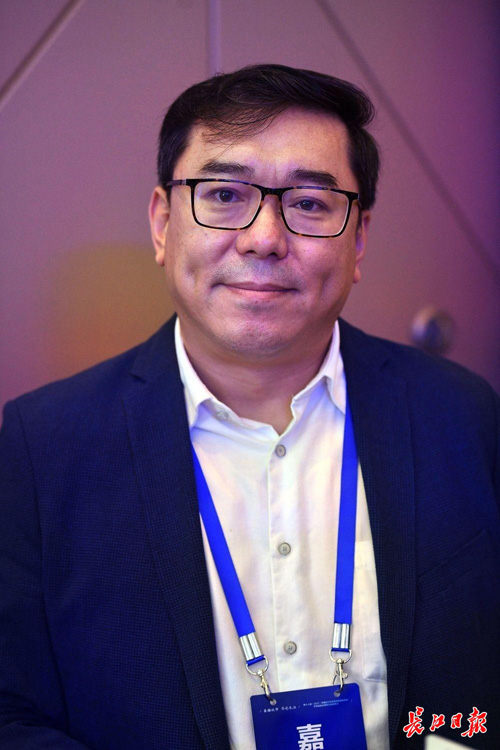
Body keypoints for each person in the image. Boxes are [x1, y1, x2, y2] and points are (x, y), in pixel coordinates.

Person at [0, 64, 498, 750]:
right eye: (226, 195)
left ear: (358, 240)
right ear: (162, 224)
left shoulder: (461, 417)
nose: (264, 238)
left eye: (310, 204)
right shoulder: (42, 448)